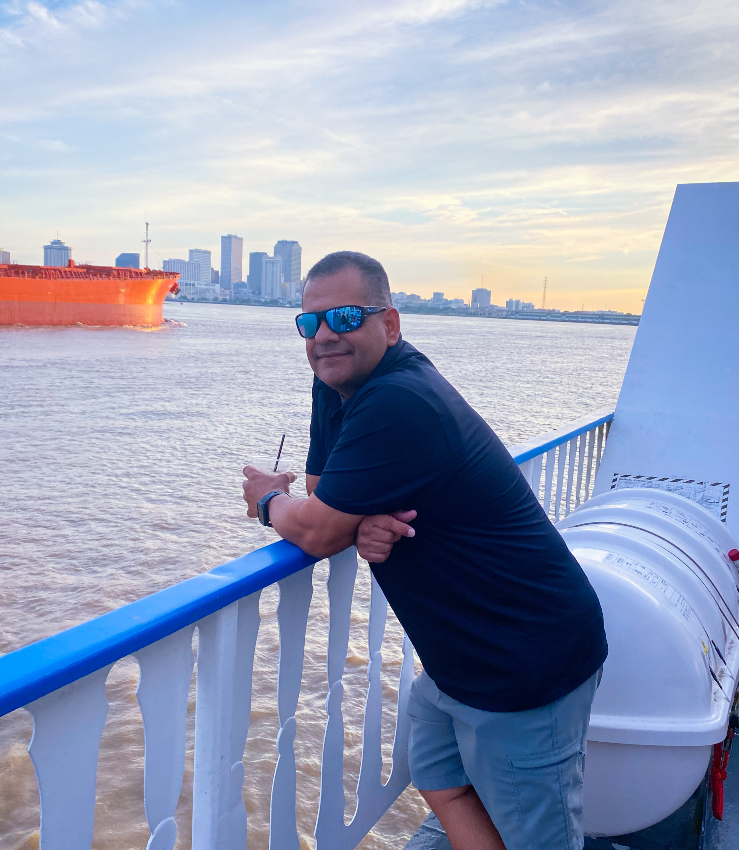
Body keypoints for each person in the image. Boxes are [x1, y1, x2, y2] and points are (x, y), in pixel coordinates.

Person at [242, 251, 607, 850]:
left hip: (523, 660)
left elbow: (315, 529)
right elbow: (322, 493)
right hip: (460, 656)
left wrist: (266, 501)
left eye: (346, 317)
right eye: (310, 323)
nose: (325, 335)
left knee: (539, 838)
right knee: (439, 777)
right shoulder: (336, 383)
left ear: (389, 324)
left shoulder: (399, 398)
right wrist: (354, 520)